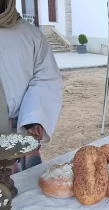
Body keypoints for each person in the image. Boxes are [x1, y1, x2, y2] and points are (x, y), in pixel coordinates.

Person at [0, 0, 62, 173]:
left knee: (27, 194)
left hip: (20, 130)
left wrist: (34, 117)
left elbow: (45, 78)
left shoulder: (32, 35)